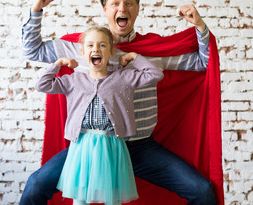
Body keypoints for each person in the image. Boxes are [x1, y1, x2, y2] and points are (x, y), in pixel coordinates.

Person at [21, 0, 217, 205]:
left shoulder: (152, 52)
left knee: (201, 190)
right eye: (115, 3)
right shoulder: (81, 46)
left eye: (128, 3)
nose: (122, 8)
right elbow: (32, 50)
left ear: (137, 8)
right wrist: (36, 9)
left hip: (140, 148)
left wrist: (200, 26)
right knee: (36, 185)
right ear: (105, 9)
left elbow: (203, 63)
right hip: (89, 147)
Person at [35, 26, 164, 205]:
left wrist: (134, 57)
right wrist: (59, 64)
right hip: (81, 146)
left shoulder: (123, 78)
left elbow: (155, 74)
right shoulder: (74, 80)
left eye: (102, 45)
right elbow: (42, 84)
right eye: (90, 46)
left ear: (111, 52)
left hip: (112, 145)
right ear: (83, 52)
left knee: (112, 199)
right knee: (80, 199)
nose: (96, 49)